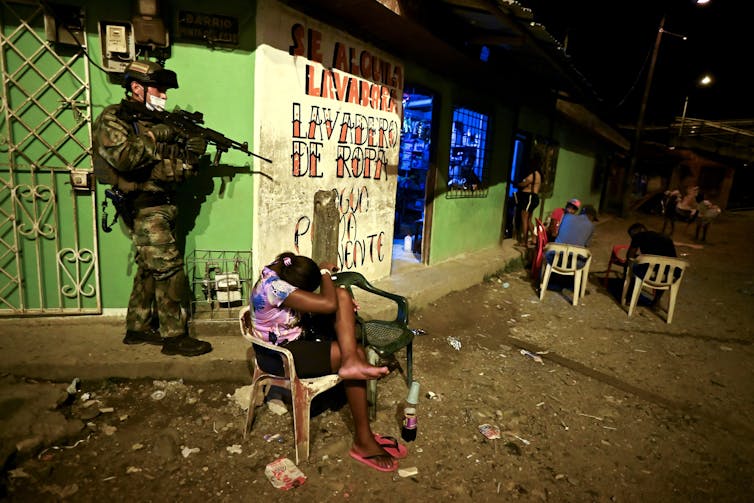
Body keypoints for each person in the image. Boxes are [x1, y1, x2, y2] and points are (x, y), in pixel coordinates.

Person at [92, 60, 212, 357]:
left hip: (166, 203)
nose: (165, 95)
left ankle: (137, 327)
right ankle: (175, 337)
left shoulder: (160, 119)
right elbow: (124, 158)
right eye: (159, 88)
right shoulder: (112, 119)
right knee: (169, 269)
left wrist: (192, 150)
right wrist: (156, 134)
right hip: (143, 206)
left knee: (149, 267)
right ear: (136, 88)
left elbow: (177, 158)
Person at [249, 252, 403, 472]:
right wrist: (323, 274)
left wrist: (341, 301)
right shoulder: (276, 288)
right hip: (280, 356)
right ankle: (363, 441)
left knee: (342, 296)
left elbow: (331, 300)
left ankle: (352, 367)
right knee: (352, 343)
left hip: (295, 337)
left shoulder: (279, 269)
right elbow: (328, 304)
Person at [625, 222, 679, 304]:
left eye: (632, 236)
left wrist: (633, 260)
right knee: (664, 269)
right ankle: (656, 301)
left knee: (631, 264)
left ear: (641, 230)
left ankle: (629, 296)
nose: (632, 238)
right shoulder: (666, 238)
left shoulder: (638, 236)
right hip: (670, 277)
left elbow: (629, 256)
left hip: (650, 274)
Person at [513, 163, 541, 246]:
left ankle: (524, 241)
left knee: (524, 219)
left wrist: (517, 184)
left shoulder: (533, 175)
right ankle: (534, 238)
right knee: (528, 220)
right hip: (531, 198)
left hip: (529, 198)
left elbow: (523, 184)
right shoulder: (537, 174)